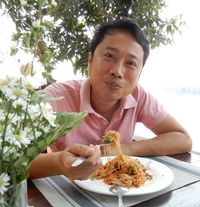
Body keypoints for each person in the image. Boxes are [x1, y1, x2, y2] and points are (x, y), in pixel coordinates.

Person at [28, 18, 192, 179]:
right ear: (90, 60)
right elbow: (10, 161)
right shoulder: (54, 98)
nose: (118, 71)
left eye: (131, 63)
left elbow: (183, 139)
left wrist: (122, 149)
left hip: (121, 190)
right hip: (65, 193)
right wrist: (58, 163)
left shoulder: (138, 96)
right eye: (109, 56)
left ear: (139, 74)